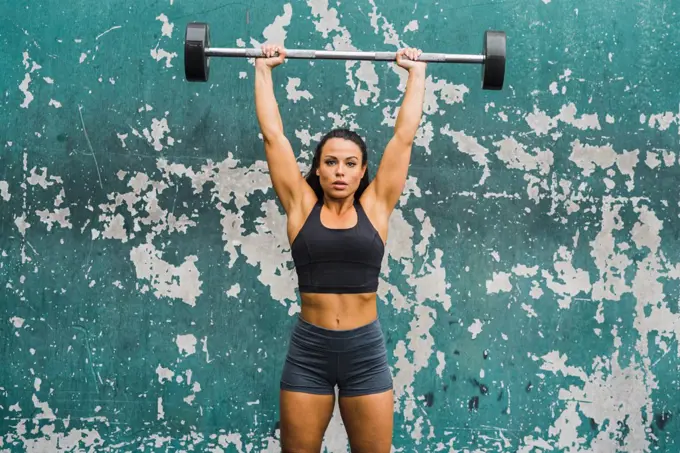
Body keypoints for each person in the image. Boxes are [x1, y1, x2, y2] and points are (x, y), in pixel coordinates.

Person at [254, 42, 426, 453]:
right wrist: (263, 70)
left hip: (364, 352)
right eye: (330, 162)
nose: (340, 171)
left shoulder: (377, 205)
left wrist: (416, 76)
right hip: (309, 352)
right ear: (317, 167)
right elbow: (273, 137)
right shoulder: (300, 205)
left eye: (351, 163)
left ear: (364, 170)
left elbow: (403, 139)